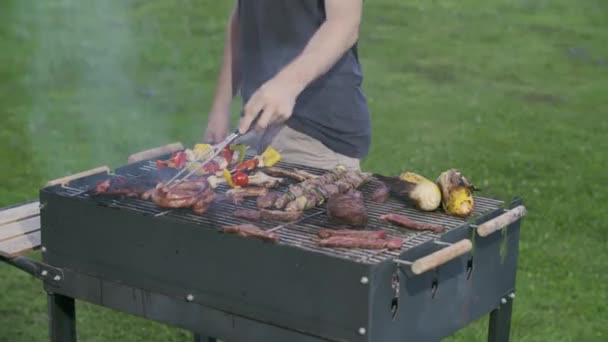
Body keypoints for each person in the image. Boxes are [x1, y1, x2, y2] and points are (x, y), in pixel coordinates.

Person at [204, 0, 371, 170]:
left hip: (315, 137)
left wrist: (287, 85)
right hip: (255, 125)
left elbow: (344, 24)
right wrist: (220, 108)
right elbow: (243, 13)